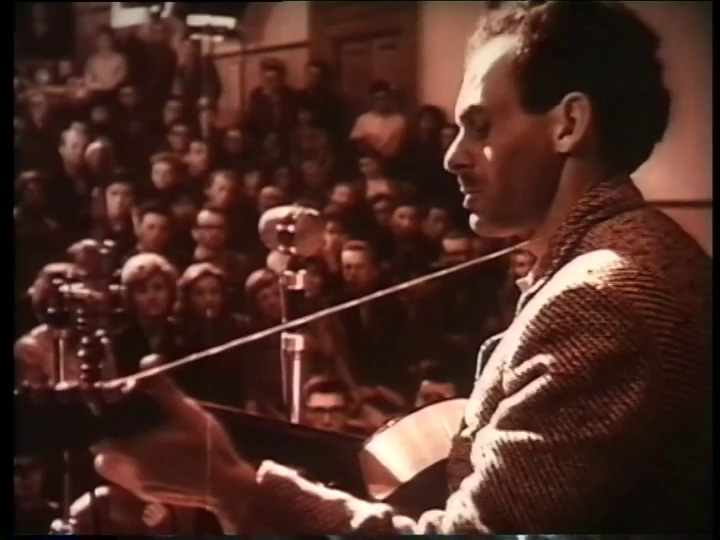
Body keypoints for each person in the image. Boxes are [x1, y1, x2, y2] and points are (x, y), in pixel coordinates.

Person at [92, 1, 711, 534]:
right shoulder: (633, 253)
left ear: (568, 124)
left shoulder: (600, 297)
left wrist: (228, 487)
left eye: (479, 126)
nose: (451, 156)